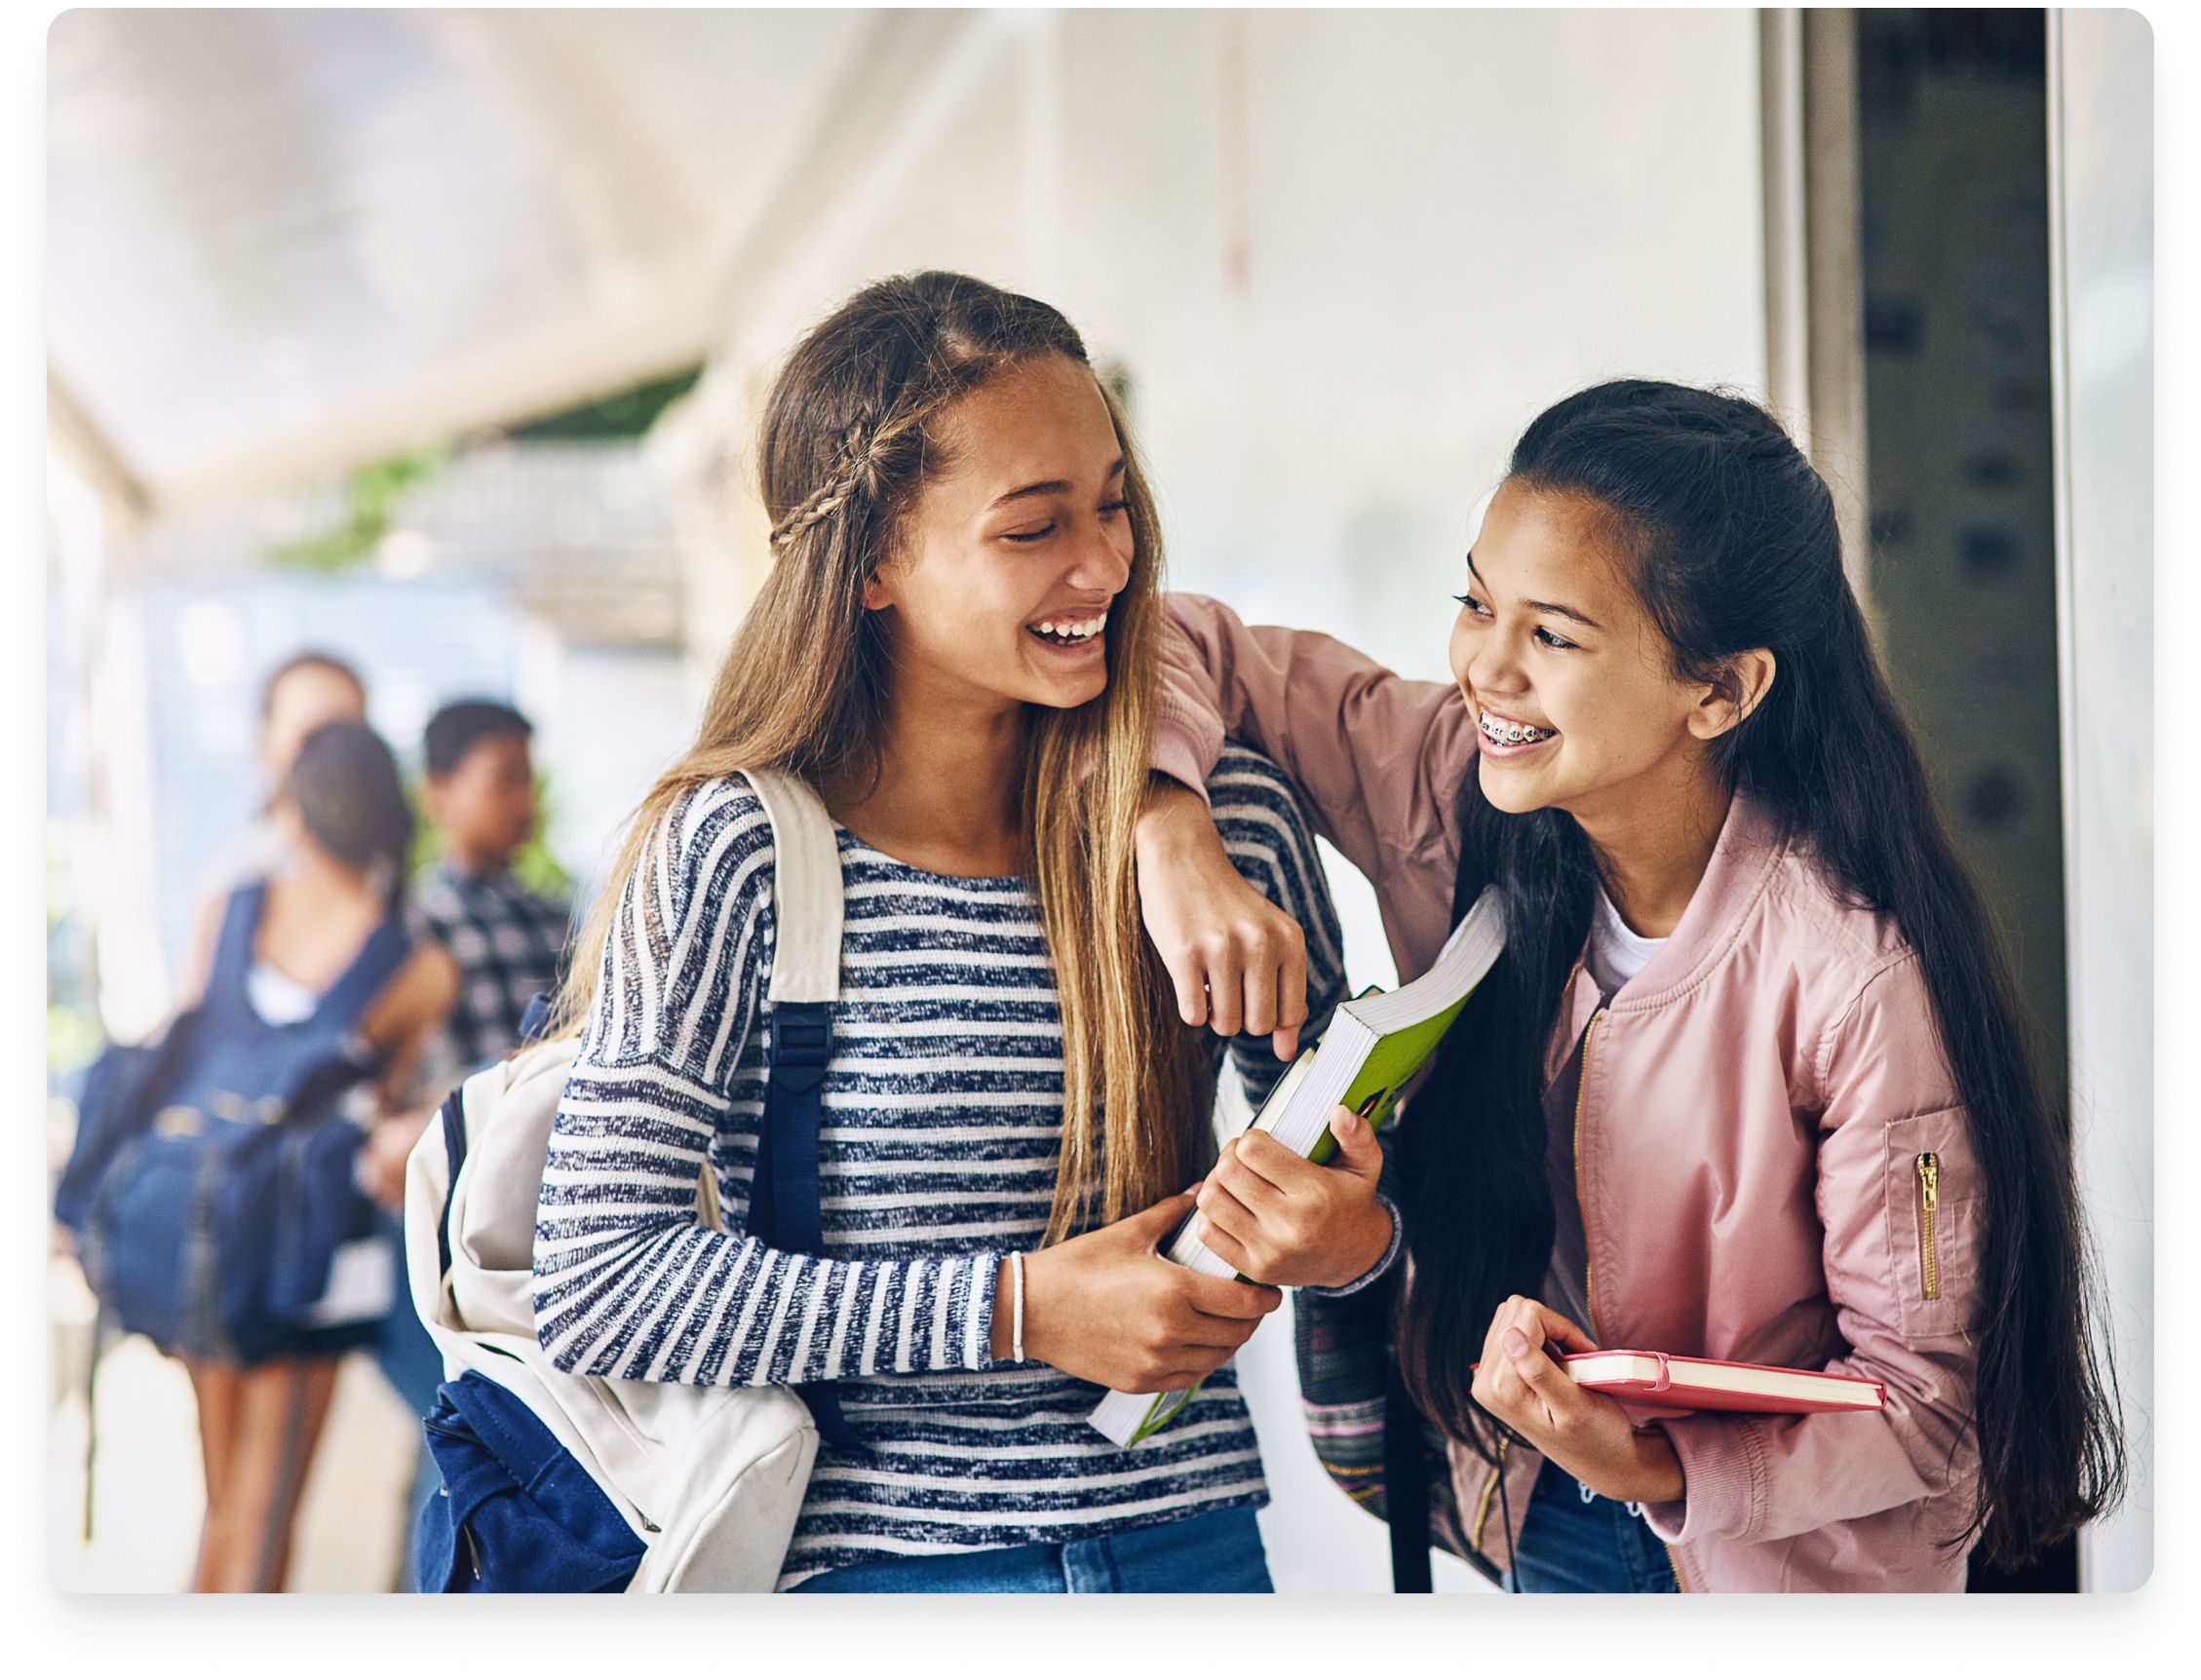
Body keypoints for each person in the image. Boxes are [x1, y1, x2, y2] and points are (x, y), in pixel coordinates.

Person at [1130, 379, 2125, 1591]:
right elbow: (1177, 638)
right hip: (1540, 1513)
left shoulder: (1852, 976)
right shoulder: (1447, 777)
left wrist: (1658, 1465)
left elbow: (1919, 1411)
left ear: (1720, 690)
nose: (1483, 669)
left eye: (1550, 635)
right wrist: (1167, 824)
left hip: (1778, 1572)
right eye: (1474, 602)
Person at [532, 272, 1388, 1593]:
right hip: (884, 1578)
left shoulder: (1225, 832)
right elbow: (601, 1282)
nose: (1104, 565)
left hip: (1195, 1558)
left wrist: (1352, 1243)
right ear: (869, 563)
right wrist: (1023, 1309)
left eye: (1113, 504)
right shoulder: (739, 855)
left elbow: (1362, 1207)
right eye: (1032, 528)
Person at [178, 719, 457, 1591]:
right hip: (303, 1243)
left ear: (295, 810)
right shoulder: (416, 965)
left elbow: (187, 1054)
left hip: (199, 1225)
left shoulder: (231, 909)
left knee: (223, 1506)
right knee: (268, 1514)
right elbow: (374, 1105)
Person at [354, 698, 575, 1587]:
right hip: (435, 1218)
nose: (523, 801)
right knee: (458, 1424)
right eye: (503, 779)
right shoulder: (408, 924)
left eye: (529, 778)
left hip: (530, 1215)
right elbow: (371, 1086)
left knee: (473, 1432)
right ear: (440, 792)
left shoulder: (555, 911)